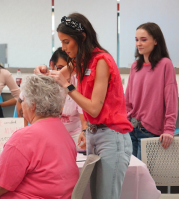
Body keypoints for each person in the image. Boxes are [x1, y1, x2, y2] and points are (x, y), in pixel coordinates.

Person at [35, 13, 133, 199]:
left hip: (112, 136)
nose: (63, 48)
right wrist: (43, 71)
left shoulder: (101, 60)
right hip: (94, 134)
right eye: (61, 43)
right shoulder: (80, 61)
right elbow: (57, 77)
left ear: (82, 37)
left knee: (107, 195)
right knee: (96, 195)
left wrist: (68, 85)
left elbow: (94, 108)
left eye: (66, 42)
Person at [0, 74, 79, 199]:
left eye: (22, 101)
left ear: (32, 105)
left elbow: (3, 183)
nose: (21, 106)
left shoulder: (24, 137)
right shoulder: (64, 133)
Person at [125, 22, 178, 160]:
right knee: (131, 176)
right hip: (131, 128)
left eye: (144, 39)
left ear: (155, 41)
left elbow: (171, 101)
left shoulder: (165, 64)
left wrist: (169, 130)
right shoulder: (135, 66)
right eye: (136, 40)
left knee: (147, 179)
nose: (139, 44)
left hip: (151, 132)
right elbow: (127, 100)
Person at [50, 47, 87, 150]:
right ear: (52, 65)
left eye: (69, 70)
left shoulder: (77, 83)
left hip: (74, 134)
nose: (64, 73)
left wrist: (84, 133)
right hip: (51, 133)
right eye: (61, 68)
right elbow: (22, 100)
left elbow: (84, 119)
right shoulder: (48, 83)